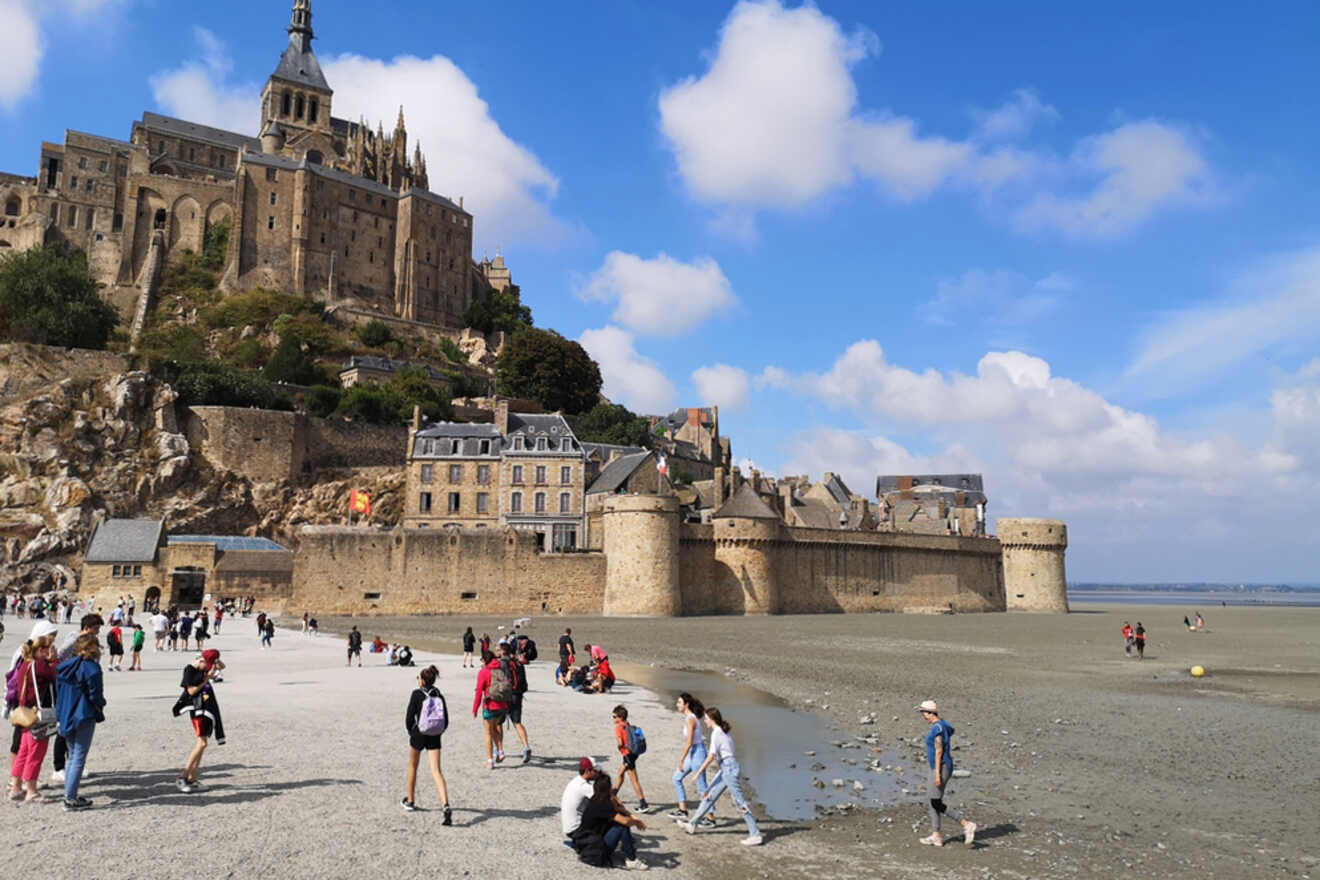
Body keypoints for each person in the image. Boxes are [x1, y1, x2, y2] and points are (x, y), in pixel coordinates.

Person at [679, 707, 762, 845]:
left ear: (711, 719)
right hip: (726, 768)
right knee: (709, 795)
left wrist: (698, 772)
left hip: (729, 769)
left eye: (706, 718)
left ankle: (755, 834)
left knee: (739, 802)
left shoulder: (717, 733)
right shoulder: (722, 732)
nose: (704, 721)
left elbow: (711, 756)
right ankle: (692, 824)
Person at [55, 632, 104, 811]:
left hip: (65, 714)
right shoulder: (91, 668)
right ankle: (70, 798)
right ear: (91, 647)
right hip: (83, 714)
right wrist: (100, 706)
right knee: (78, 757)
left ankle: (69, 793)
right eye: (96, 645)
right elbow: (96, 695)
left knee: (72, 755)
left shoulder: (65, 667)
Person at [915, 699, 975, 847]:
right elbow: (950, 731)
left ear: (930, 713)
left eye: (923, 713)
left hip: (940, 767)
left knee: (935, 802)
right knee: (932, 800)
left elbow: (939, 750)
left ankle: (966, 824)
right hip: (940, 766)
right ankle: (936, 835)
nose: (923, 716)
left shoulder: (938, 728)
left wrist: (936, 773)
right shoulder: (943, 725)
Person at [7, 629, 57, 802]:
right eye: (46, 649)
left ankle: (16, 786)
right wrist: (54, 660)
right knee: (36, 753)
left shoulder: (25, 664)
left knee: (23, 751)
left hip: (25, 714)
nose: (48, 652)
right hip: (38, 716)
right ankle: (31, 790)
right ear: (40, 650)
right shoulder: (40, 665)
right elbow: (55, 675)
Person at [401, 664, 451, 823]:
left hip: (419, 733)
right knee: (436, 770)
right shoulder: (438, 694)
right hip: (435, 734)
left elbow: (409, 718)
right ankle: (445, 804)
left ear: (422, 680)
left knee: (413, 766)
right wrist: (438, 731)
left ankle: (410, 800)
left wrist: (412, 732)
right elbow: (446, 720)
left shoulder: (416, 694)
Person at [172, 649, 226, 792]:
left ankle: (192, 779)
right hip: (197, 710)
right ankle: (182, 777)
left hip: (207, 708)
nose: (208, 669)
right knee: (201, 743)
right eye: (206, 665)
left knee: (203, 744)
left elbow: (222, 667)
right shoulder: (189, 670)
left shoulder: (206, 666)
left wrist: (215, 660)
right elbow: (191, 691)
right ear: (201, 660)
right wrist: (206, 679)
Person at [574, 773, 649, 870]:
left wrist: (631, 816)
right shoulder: (603, 805)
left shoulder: (596, 798)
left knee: (621, 819)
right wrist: (636, 822)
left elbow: (618, 807)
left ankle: (628, 851)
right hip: (596, 851)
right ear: (607, 789)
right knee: (622, 826)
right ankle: (632, 859)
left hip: (588, 845)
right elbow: (625, 821)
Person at [670, 693, 714, 824]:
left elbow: (689, 742)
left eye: (679, 702)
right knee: (676, 778)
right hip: (694, 752)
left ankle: (711, 818)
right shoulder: (689, 717)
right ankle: (683, 811)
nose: (677, 705)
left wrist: (681, 759)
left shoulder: (690, 719)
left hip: (698, 753)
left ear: (686, 704)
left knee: (702, 786)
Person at [472, 649, 511, 770]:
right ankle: (500, 751)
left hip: (490, 705)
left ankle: (490, 760)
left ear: (484, 660)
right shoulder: (499, 669)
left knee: (488, 732)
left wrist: (475, 708)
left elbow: (479, 691)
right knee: (495, 729)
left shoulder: (484, 672)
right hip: (502, 705)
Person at [611, 705, 649, 813]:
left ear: (620, 717)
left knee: (634, 780)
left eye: (614, 717)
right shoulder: (628, 725)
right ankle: (613, 794)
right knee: (620, 773)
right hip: (633, 754)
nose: (613, 719)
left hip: (627, 755)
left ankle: (643, 803)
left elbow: (620, 743)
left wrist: (619, 748)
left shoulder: (618, 728)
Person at [499, 643, 532, 763]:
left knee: (498, 723)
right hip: (517, 695)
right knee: (517, 723)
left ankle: (500, 750)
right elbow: (525, 684)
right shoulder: (518, 663)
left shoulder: (501, 663)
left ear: (503, 652)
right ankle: (526, 746)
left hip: (505, 697)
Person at [561, 757, 601, 840]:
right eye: (595, 770)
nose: (598, 772)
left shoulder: (576, 781)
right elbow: (607, 799)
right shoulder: (584, 787)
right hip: (576, 829)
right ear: (587, 771)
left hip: (568, 827)